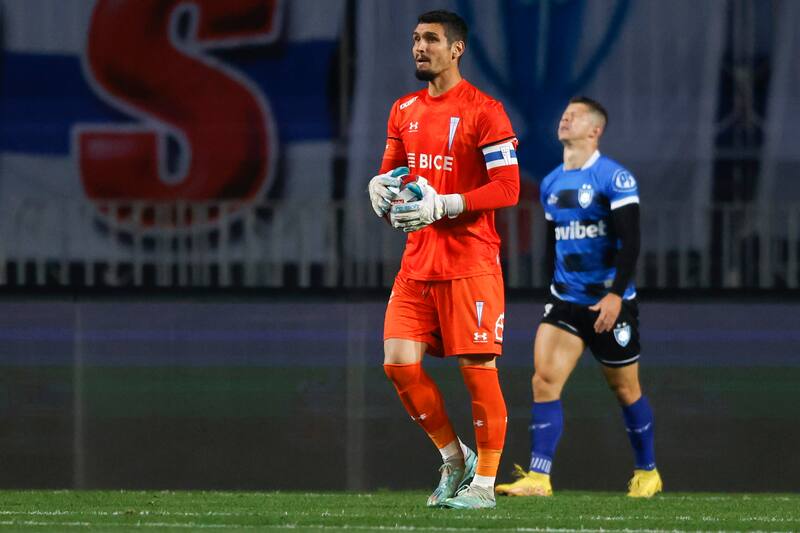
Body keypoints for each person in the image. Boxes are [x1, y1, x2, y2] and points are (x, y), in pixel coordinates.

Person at [367, 10, 520, 510]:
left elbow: (509, 188)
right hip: (418, 262)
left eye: (431, 39)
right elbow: (393, 173)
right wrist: (379, 186)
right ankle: (456, 460)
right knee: (398, 365)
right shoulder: (403, 109)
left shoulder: (485, 110)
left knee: (477, 370)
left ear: (457, 49)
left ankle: (485, 486)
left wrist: (447, 203)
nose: (419, 47)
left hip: (470, 261)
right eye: (415, 39)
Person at [495, 97, 662, 498]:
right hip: (566, 301)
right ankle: (539, 477)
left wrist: (615, 296)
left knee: (625, 390)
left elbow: (631, 243)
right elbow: (554, 243)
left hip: (608, 302)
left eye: (576, 115)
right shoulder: (552, 182)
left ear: (595, 129)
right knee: (544, 381)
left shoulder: (614, 178)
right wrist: (555, 289)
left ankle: (647, 472)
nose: (565, 118)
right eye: (564, 113)